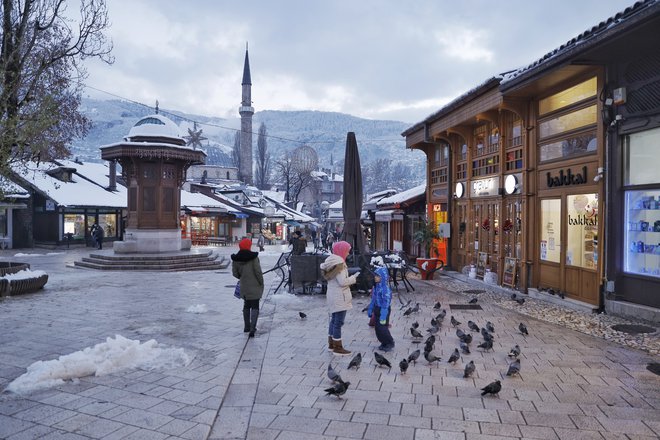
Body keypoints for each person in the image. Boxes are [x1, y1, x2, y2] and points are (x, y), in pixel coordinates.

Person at [320, 241, 359, 355]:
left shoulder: (331, 261)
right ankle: (338, 348)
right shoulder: (340, 263)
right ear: (342, 250)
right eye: (347, 250)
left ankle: (331, 345)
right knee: (338, 322)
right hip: (340, 297)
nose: (348, 253)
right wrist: (353, 278)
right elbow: (342, 282)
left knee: (334, 321)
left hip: (332, 295)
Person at [231, 238, 264, 338]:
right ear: (249, 246)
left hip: (244, 286)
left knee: (246, 305)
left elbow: (235, 274)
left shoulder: (236, 259)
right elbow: (258, 272)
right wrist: (261, 282)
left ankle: (247, 326)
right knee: (255, 306)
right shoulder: (253, 258)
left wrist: (243, 277)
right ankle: (252, 329)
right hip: (254, 285)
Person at [367, 266, 395, 352]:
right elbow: (374, 299)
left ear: (383, 277)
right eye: (375, 276)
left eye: (378, 276)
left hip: (384, 310)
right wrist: (371, 308)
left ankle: (389, 342)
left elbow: (386, 302)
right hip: (377, 309)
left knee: (382, 327)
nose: (375, 278)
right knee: (378, 328)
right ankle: (383, 342)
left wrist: (383, 314)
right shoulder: (376, 287)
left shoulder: (385, 289)